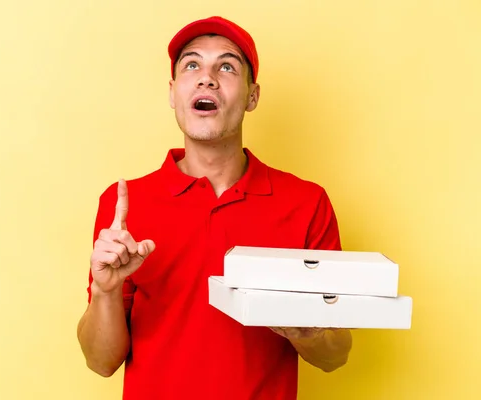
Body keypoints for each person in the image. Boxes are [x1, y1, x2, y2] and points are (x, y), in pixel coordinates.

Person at [76, 16, 353, 400]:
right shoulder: (124, 204)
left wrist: (305, 331)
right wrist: (106, 292)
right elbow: (100, 361)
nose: (207, 77)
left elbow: (335, 355)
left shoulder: (306, 203)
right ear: (174, 93)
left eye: (226, 66)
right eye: (192, 65)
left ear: (253, 96)